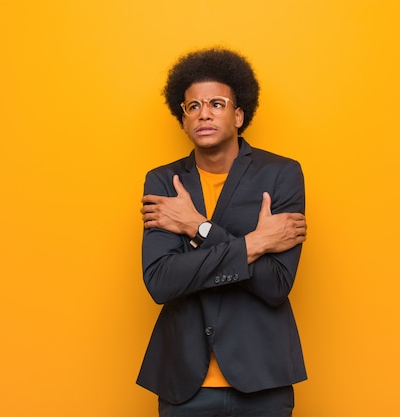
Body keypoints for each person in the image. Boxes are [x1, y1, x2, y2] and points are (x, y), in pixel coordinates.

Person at [137, 47, 307, 417]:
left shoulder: (281, 175)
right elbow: (162, 282)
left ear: (239, 114)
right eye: (192, 106)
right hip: (184, 381)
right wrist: (255, 243)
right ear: (182, 120)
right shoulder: (165, 181)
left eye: (217, 103)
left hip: (262, 377)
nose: (204, 114)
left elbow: (275, 285)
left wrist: (195, 227)